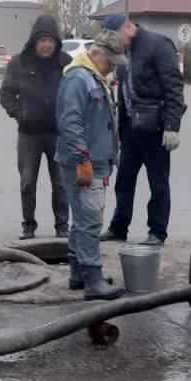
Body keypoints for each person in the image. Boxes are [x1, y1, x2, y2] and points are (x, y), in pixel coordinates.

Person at [98, 11, 186, 247]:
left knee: (158, 183)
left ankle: (157, 231)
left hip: (155, 129)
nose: (115, 43)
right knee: (124, 181)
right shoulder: (124, 51)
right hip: (131, 129)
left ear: (127, 27)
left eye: (115, 37)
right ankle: (119, 227)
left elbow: (174, 87)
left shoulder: (157, 45)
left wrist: (172, 126)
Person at [55, 30, 128, 300]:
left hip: (92, 159)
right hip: (84, 162)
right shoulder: (78, 79)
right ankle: (93, 280)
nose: (113, 68)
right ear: (96, 53)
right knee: (90, 221)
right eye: (110, 62)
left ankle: (79, 275)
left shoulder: (94, 76)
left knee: (82, 219)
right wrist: (82, 158)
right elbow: (69, 122)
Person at [0, 14, 70, 239]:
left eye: (51, 40)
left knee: (61, 183)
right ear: (34, 41)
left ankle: (62, 225)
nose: (47, 44)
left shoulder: (66, 62)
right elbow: (6, 93)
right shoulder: (18, 63)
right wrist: (19, 114)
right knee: (28, 182)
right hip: (29, 134)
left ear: (56, 42)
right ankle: (28, 225)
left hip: (58, 134)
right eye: (43, 40)